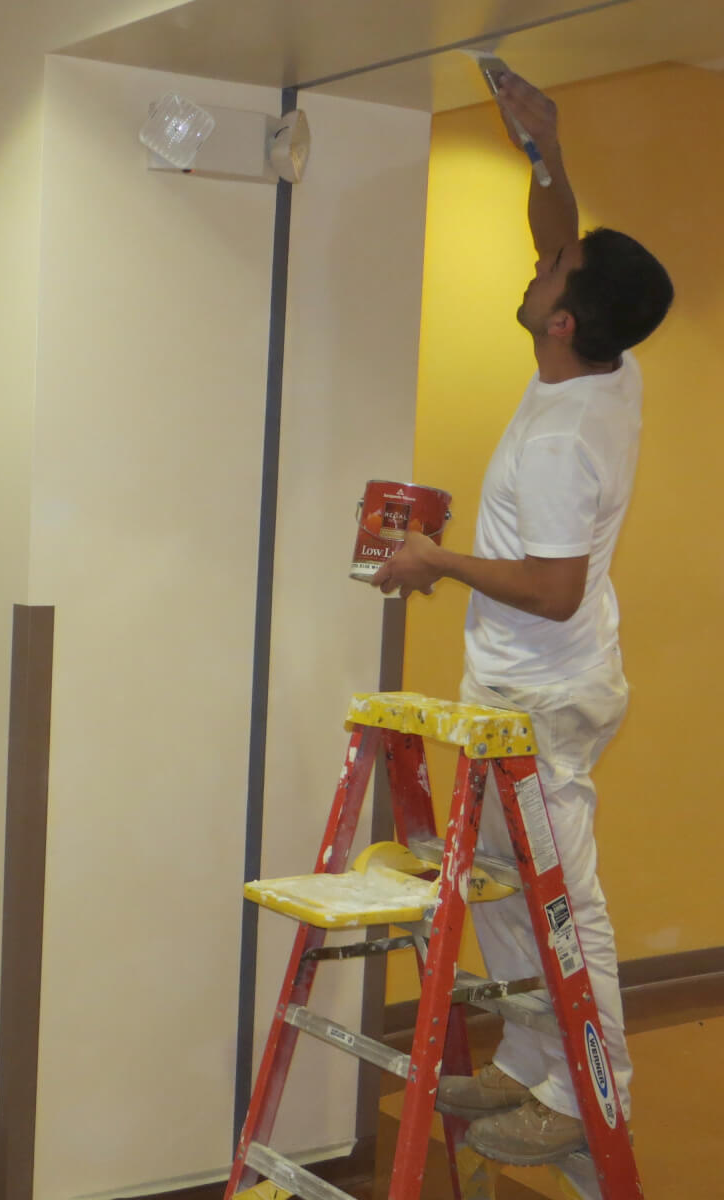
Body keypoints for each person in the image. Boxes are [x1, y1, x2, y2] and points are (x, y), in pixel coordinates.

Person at [370, 69, 673, 1176]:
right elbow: (566, 241)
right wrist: (544, 153)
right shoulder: (606, 368)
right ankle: (533, 1059)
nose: (541, 253)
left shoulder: (558, 443)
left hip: (544, 689)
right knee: (497, 877)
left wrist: (432, 559)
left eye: (552, 265)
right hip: (525, 685)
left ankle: (595, 1086)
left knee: (561, 895)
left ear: (558, 318)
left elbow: (551, 586)